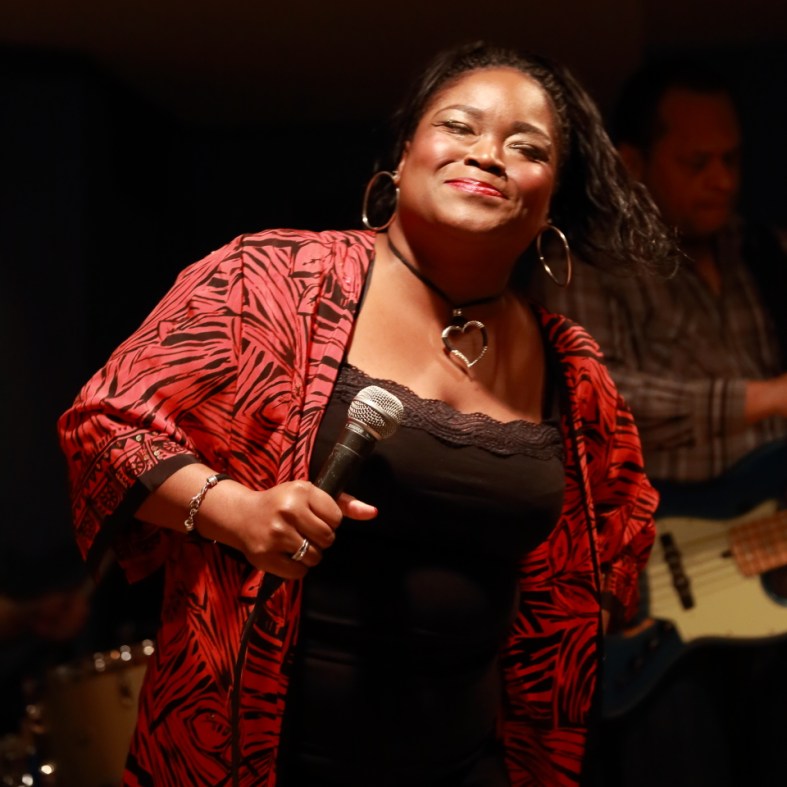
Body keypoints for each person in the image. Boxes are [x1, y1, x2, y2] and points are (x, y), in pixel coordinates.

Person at [57, 42, 677, 786]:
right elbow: (105, 428)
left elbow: (612, 538)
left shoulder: (572, 369)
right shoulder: (275, 281)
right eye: (458, 126)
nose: (487, 155)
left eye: (527, 147)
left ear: (551, 199)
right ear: (405, 155)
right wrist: (237, 513)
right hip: (258, 758)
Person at [530, 58, 787, 787]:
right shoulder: (590, 262)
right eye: (697, 162)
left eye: (731, 159)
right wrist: (766, 398)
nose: (721, 180)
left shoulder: (762, 254)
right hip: (653, 570)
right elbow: (597, 400)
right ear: (634, 163)